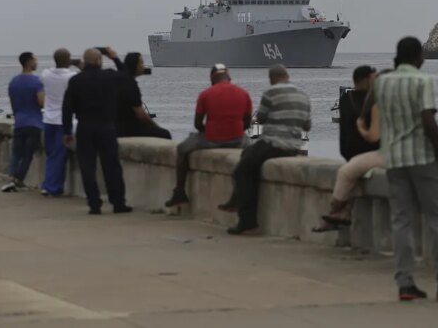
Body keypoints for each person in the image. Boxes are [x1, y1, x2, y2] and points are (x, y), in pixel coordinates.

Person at [373, 37, 438, 302]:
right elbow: (428, 120)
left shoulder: (382, 82)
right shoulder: (422, 80)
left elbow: (364, 112)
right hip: (423, 158)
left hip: (394, 160)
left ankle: (405, 283)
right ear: (417, 57)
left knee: (401, 222)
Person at [219, 64, 311, 235]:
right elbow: (307, 125)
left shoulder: (271, 92)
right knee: (247, 154)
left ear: (271, 78)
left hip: (274, 143)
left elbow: (260, 118)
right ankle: (235, 200)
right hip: (293, 146)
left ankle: (247, 220)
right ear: (287, 76)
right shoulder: (303, 95)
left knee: (242, 171)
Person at [164, 63, 253, 208]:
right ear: (228, 77)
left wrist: (211, 130)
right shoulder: (244, 94)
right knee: (250, 152)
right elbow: (247, 123)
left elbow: (198, 124)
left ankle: (179, 191)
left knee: (182, 148)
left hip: (212, 139)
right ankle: (238, 195)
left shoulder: (205, 94)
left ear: (212, 78)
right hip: (237, 139)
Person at [313, 68, 385, 233]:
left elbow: (370, 134)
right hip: (371, 150)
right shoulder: (375, 101)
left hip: (352, 151)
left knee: (348, 173)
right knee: (353, 173)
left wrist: (361, 128)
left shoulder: (346, 98)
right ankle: (342, 212)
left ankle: (336, 210)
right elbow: (374, 137)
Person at [62, 47, 133, 215]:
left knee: (87, 167)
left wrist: (66, 131)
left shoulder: (76, 81)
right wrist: (115, 58)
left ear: (84, 62)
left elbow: (67, 109)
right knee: (112, 166)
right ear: (100, 60)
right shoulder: (109, 77)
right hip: (106, 126)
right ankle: (118, 203)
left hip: (85, 127)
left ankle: (94, 204)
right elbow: (127, 77)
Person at [1, 52, 44, 193]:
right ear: (29, 62)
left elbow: (13, 103)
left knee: (16, 153)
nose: (37, 62)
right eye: (35, 59)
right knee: (27, 154)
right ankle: (17, 180)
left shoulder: (14, 82)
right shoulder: (37, 81)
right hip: (34, 123)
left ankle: (11, 179)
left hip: (19, 122)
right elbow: (41, 102)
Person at [39, 48, 79, 196]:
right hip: (64, 120)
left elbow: (46, 76)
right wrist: (77, 64)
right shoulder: (72, 77)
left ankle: (51, 185)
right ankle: (51, 187)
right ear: (69, 60)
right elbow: (84, 76)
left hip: (48, 119)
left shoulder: (45, 74)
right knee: (59, 154)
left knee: (51, 153)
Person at [116, 52, 172, 140]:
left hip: (117, 126)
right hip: (128, 128)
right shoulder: (131, 85)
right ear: (135, 66)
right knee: (165, 134)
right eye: (141, 63)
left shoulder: (122, 80)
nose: (143, 66)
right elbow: (141, 115)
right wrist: (156, 126)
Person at [339, 65, 378, 160]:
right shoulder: (374, 100)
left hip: (350, 154)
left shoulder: (345, 99)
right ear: (366, 80)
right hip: (370, 153)